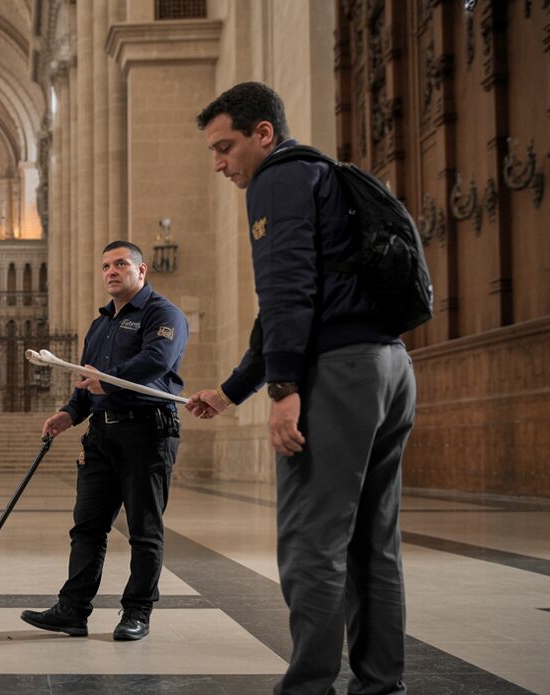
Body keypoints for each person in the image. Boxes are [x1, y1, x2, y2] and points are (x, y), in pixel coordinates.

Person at [188, 82, 416, 694]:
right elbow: (290, 307)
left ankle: (309, 687)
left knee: (311, 544)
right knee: (374, 543)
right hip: (390, 368)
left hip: (338, 374)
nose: (219, 164)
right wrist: (234, 390)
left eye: (226, 147)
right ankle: (380, 685)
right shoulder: (324, 175)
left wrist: (284, 388)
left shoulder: (277, 180)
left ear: (264, 134)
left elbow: (287, 291)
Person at [20, 241, 188, 642]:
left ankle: (137, 613)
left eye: (121, 264)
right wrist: (69, 413)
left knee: (143, 529)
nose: (112, 271)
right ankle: (73, 610)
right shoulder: (100, 325)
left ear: (142, 270)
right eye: (106, 266)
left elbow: (156, 362)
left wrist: (107, 380)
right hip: (102, 434)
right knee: (88, 527)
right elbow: (85, 378)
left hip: (147, 431)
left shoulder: (163, 314)